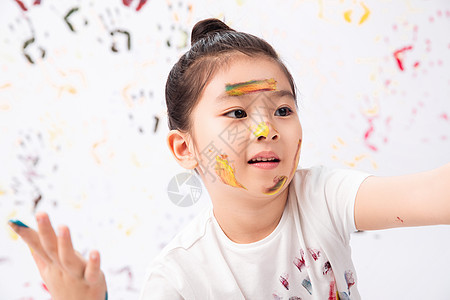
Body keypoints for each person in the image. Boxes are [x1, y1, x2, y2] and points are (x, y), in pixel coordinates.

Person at [8, 18, 450, 300]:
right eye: (237, 113)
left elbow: (432, 194)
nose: (267, 128)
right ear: (186, 148)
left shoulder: (322, 197)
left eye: (282, 109)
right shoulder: (178, 277)